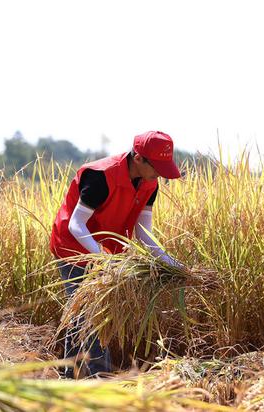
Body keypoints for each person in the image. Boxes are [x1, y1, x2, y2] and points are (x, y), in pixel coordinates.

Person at [50, 130, 183, 378]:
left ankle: (68, 377)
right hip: (73, 246)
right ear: (139, 158)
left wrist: (172, 263)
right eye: (157, 166)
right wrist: (106, 260)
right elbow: (76, 224)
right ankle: (100, 380)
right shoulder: (101, 177)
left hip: (106, 254)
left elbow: (143, 233)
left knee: (81, 313)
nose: (160, 175)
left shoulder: (149, 183)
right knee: (91, 314)